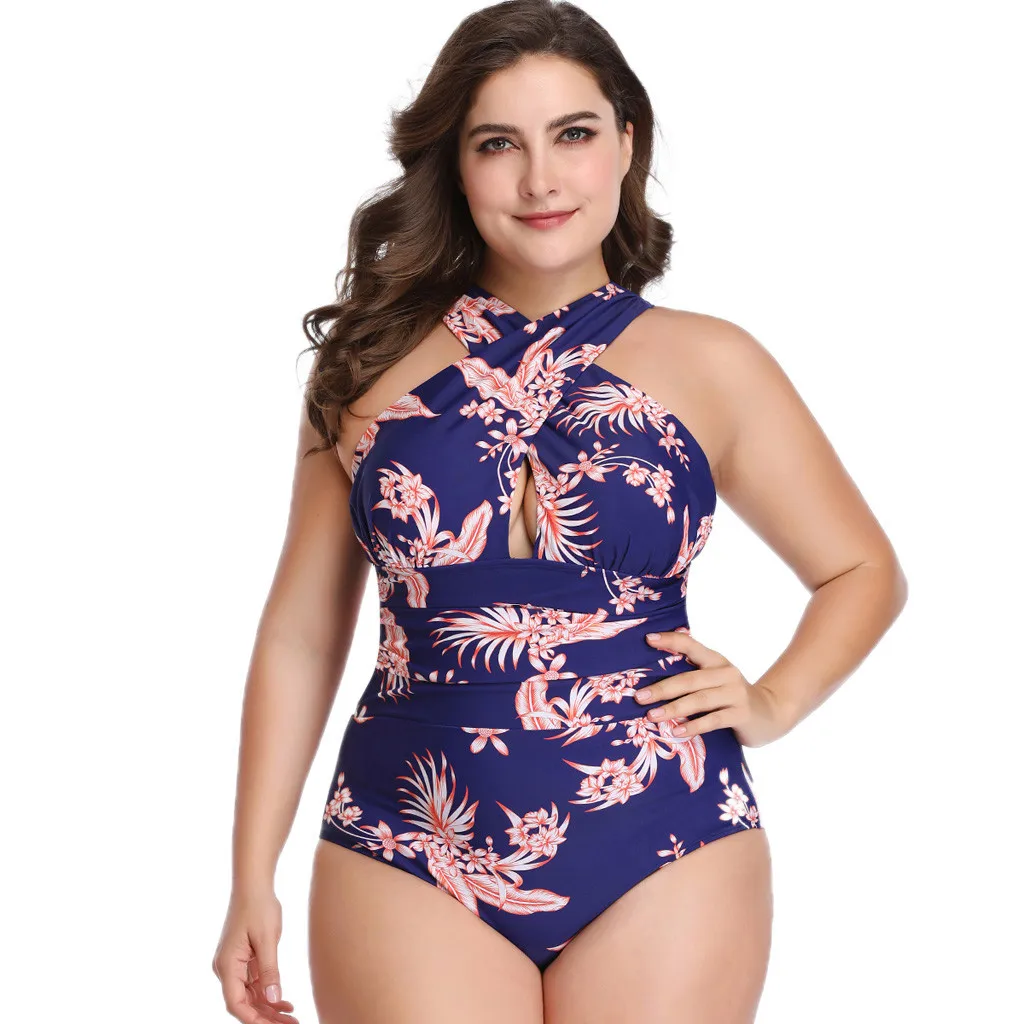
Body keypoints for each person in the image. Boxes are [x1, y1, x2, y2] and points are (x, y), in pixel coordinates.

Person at [212, 2, 909, 1022]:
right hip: (406, 836)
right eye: (499, 144)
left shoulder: (715, 362)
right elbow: (303, 629)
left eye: (572, 134)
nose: (540, 180)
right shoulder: (364, 365)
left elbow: (861, 570)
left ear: (626, 143)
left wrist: (773, 701)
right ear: (455, 165)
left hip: (666, 832)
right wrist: (249, 873)